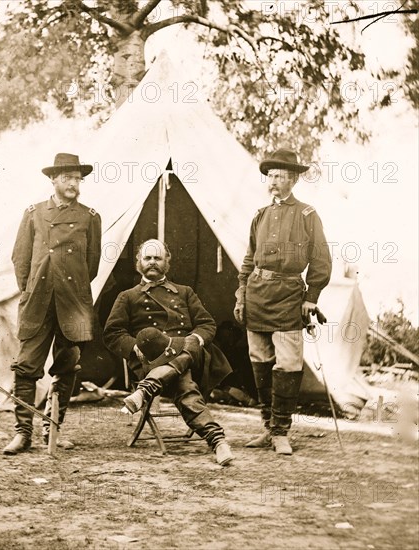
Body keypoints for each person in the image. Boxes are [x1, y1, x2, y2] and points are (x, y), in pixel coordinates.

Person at [234, 148, 332, 455]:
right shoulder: (259, 216)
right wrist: (242, 294)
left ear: (293, 179)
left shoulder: (307, 215)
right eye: (270, 176)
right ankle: (267, 427)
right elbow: (249, 259)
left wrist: (310, 299)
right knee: (260, 361)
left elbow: (320, 261)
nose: (273, 182)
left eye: (279, 176)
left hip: (289, 296)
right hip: (257, 295)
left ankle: (281, 432)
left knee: (288, 364)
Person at [3, 153, 101, 455]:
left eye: (77, 179)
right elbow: (20, 260)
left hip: (73, 304)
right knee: (26, 367)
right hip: (38, 303)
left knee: (68, 367)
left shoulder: (90, 217)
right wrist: (34, 289)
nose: (74, 184)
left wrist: (68, 285)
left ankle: (52, 431)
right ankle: (23, 433)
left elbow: (92, 265)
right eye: (68, 178)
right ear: (53, 180)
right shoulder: (33, 214)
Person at [104, 239, 233, 466]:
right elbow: (113, 333)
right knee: (181, 382)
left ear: (167, 262)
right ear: (138, 263)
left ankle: (146, 389)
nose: (152, 262)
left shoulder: (185, 292)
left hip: (191, 356)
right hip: (151, 359)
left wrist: (193, 340)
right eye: (147, 258)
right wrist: (135, 347)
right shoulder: (127, 296)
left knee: (185, 354)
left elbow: (207, 324)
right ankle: (218, 440)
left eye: (157, 258)